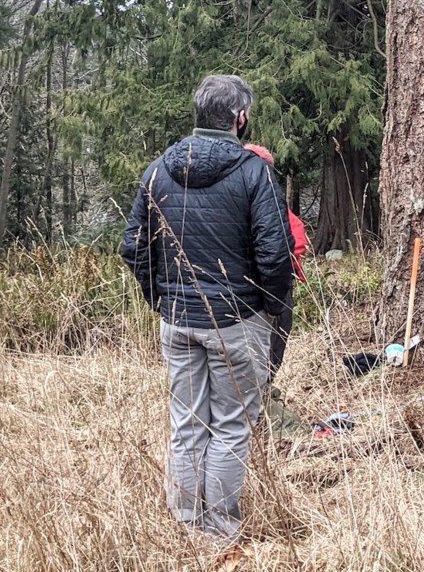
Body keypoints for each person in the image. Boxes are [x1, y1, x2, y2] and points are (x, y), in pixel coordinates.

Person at [121, 74, 294, 541]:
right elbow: (276, 256)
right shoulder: (254, 172)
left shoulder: (157, 169)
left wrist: (162, 300)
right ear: (240, 119)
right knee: (232, 426)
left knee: (187, 425)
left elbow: (133, 246)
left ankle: (186, 528)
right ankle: (217, 533)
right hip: (236, 321)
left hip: (178, 321)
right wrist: (270, 310)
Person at [243, 143, 308, 381]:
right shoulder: (246, 199)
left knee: (274, 345)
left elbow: (297, 239)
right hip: (262, 291)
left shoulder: (271, 201)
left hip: (274, 287)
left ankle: (265, 392)